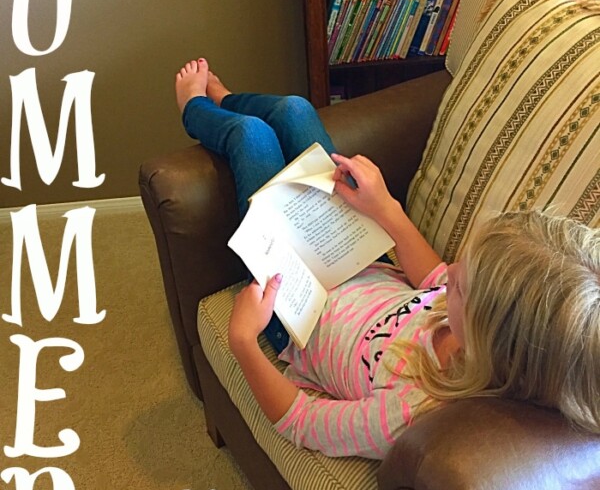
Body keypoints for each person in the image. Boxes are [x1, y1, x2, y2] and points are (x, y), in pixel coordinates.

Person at [175, 58, 600, 459]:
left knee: (251, 137)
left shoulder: (410, 409)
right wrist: (386, 209)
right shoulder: (472, 330)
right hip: (352, 257)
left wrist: (245, 342)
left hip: (293, 309)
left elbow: (301, 420)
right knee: (295, 110)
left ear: (494, 340)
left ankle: (194, 108)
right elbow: (434, 276)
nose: (449, 272)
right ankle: (226, 100)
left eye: (461, 286)